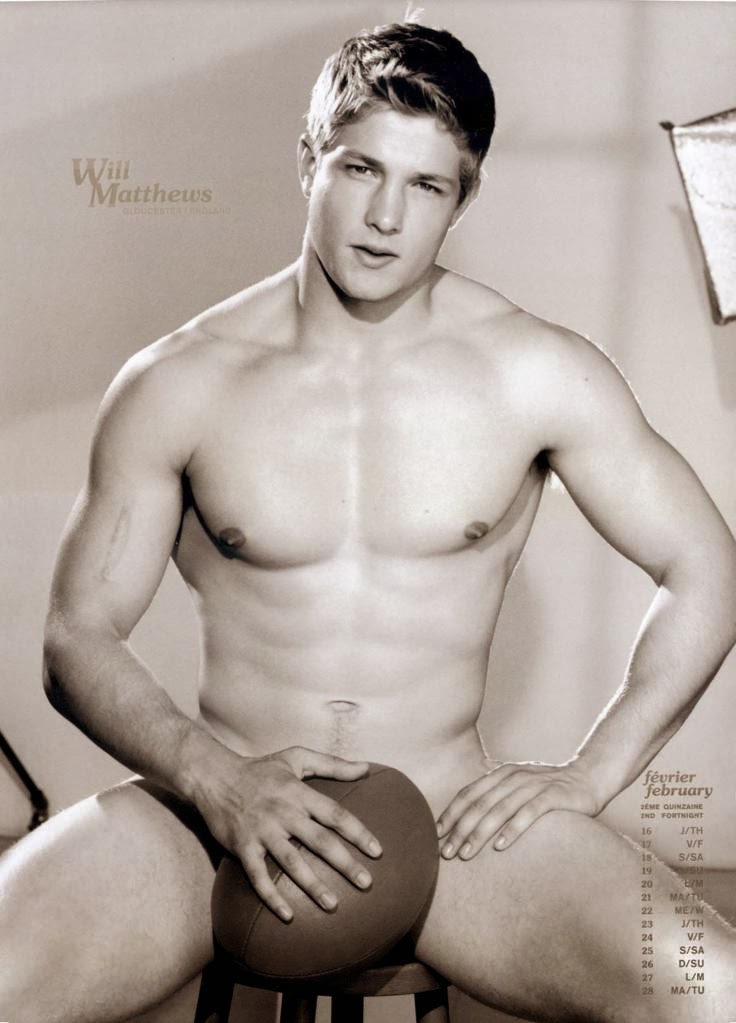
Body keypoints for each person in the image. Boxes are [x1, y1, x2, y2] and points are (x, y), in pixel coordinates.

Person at [2, 19, 736, 1023]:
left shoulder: (534, 371)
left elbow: (706, 567)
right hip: (210, 817)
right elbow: (75, 635)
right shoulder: (181, 380)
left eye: (426, 186)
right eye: (361, 169)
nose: (386, 217)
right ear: (310, 160)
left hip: (454, 824)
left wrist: (591, 773)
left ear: (463, 198)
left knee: (714, 993)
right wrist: (217, 781)